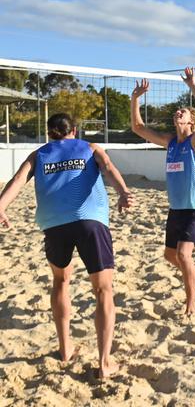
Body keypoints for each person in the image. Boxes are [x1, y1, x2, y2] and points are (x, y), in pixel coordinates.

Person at [0, 113, 133, 378]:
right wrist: (123, 192)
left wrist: (1, 206)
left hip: (55, 225)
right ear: (74, 130)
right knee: (104, 290)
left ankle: (65, 349)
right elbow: (107, 167)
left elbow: (17, 181)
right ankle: (105, 363)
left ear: (49, 133)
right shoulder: (90, 147)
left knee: (60, 281)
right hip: (90, 221)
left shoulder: (39, 154)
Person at [130, 66, 195, 316]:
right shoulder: (170, 143)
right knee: (170, 256)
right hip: (177, 208)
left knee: (183, 255)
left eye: (184, 111)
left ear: (191, 121)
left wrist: (192, 85)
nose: (179, 111)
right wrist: (135, 98)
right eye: (178, 110)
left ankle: (191, 303)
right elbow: (138, 127)